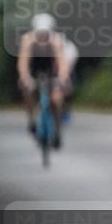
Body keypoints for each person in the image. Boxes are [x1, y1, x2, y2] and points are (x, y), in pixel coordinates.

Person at [17, 13, 70, 147]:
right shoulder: (27, 40)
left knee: (56, 99)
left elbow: (62, 63)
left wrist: (62, 79)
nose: (42, 37)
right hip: (34, 70)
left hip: (51, 71)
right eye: (39, 33)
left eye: (45, 33)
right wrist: (25, 78)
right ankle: (32, 121)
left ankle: (57, 130)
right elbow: (23, 63)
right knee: (26, 90)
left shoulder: (57, 40)